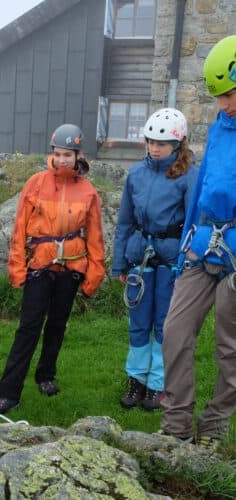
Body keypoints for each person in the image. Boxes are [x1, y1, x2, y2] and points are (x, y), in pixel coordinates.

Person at [0, 124, 106, 415]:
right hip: (39, 266)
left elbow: (95, 236)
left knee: (56, 326)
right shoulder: (36, 183)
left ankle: (46, 376)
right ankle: (8, 393)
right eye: (58, 153)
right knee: (28, 328)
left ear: (78, 154)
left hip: (71, 268)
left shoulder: (88, 191)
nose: (62, 159)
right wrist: (17, 269)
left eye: (68, 154)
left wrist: (94, 276)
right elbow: (19, 229)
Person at [159, 34, 236, 450]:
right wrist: (190, 236)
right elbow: (205, 184)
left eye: (228, 95)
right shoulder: (223, 127)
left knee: (230, 347)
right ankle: (176, 423)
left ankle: (215, 425)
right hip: (203, 242)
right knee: (174, 331)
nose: (222, 104)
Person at [112, 108, 198, 411]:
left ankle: (157, 384)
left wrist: (188, 263)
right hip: (140, 256)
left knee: (164, 323)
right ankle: (136, 379)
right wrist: (119, 263)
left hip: (171, 259)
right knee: (139, 321)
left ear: (178, 144)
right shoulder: (136, 174)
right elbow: (124, 222)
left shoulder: (188, 177)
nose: (154, 148)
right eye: (150, 142)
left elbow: (193, 223)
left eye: (161, 144)